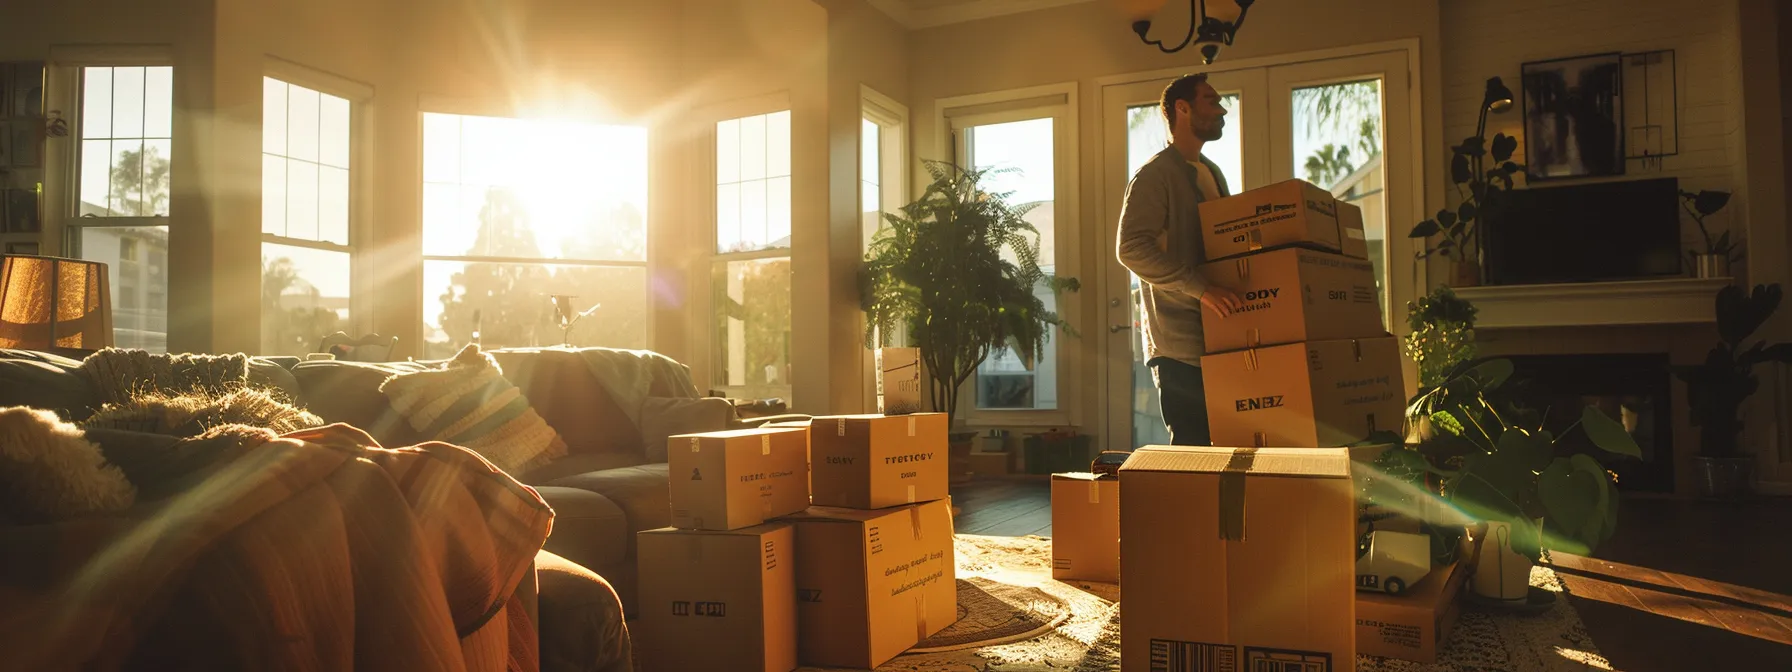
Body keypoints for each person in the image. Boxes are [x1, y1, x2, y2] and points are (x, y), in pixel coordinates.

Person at [1116, 73, 1243, 446]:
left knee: (1225, 449)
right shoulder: (1155, 176)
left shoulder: (1211, 172)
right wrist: (1201, 290)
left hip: (1220, 338)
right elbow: (1131, 249)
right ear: (1182, 109)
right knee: (1193, 454)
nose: (1221, 110)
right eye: (1211, 100)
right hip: (1180, 349)